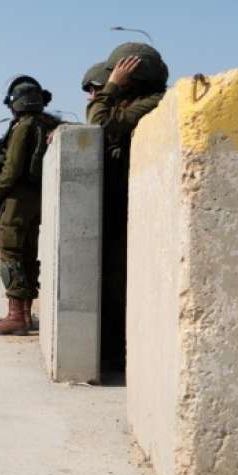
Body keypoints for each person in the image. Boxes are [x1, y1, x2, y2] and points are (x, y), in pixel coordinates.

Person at [85, 43, 167, 369]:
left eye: (121, 73)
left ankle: (120, 355)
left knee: (120, 284)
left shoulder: (153, 102)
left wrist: (111, 88)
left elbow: (100, 125)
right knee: (110, 281)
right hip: (119, 204)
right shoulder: (131, 103)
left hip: (135, 207)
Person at [0, 76, 60, 335]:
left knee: (9, 252)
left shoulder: (23, 127)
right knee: (27, 253)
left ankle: (16, 316)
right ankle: (25, 315)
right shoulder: (48, 124)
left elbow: (12, 167)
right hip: (38, 197)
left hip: (17, 197)